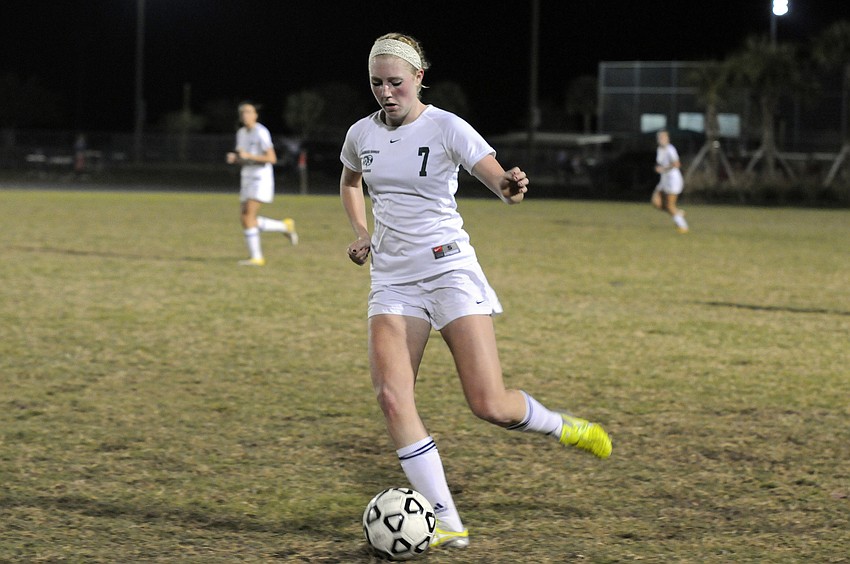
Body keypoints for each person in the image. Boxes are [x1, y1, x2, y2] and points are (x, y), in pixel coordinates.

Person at [339, 32, 612, 551]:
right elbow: (351, 182)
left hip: (449, 272)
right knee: (393, 396)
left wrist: (511, 185)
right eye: (377, 82)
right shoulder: (360, 134)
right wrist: (361, 233)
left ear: (419, 78)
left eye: (396, 82)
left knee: (489, 403)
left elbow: (498, 182)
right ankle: (448, 523)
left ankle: (563, 427)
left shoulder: (447, 127)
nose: (386, 92)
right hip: (393, 280)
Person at [226, 101, 298, 266]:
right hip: (246, 177)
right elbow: (244, 157)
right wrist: (236, 158)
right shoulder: (242, 133)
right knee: (247, 219)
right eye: (243, 113)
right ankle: (284, 226)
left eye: (249, 112)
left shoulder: (261, 132)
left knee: (247, 217)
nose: (245, 115)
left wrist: (249, 156)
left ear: (255, 115)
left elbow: (271, 159)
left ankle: (257, 258)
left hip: (260, 179)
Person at [651, 129, 689, 233]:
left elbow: (677, 164)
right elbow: (660, 164)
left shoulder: (670, 149)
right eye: (659, 137)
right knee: (656, 203)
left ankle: (683, 226)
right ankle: (678, 213)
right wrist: (658, 168)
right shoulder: (660, 149)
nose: (661, 139)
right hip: (664, 180)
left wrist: (664, 169)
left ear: (667, 138)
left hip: (673, 180)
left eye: (663, 137)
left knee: (669, 205)